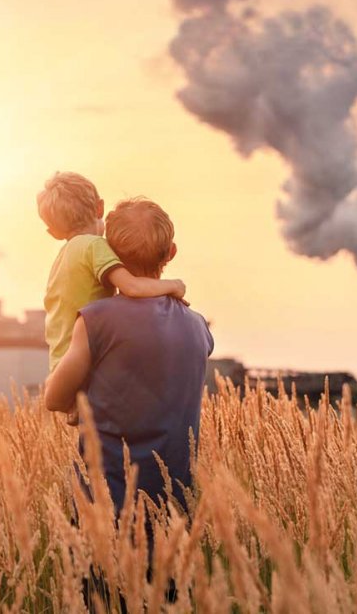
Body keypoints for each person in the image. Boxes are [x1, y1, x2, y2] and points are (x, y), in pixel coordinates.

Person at [43, 197, 214, 514]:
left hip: (105, 508)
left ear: (108, 252)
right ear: (171, 252)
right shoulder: (198, 327)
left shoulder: (95, 320)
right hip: (176, 508)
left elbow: (54, 398)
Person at [37, 172, 187, 423]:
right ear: (100, 208)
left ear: (52, 232)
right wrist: (174, 286)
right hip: (80, 364)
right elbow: (132, 288)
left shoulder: (66, 255)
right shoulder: (93, 247)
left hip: (61, 362)